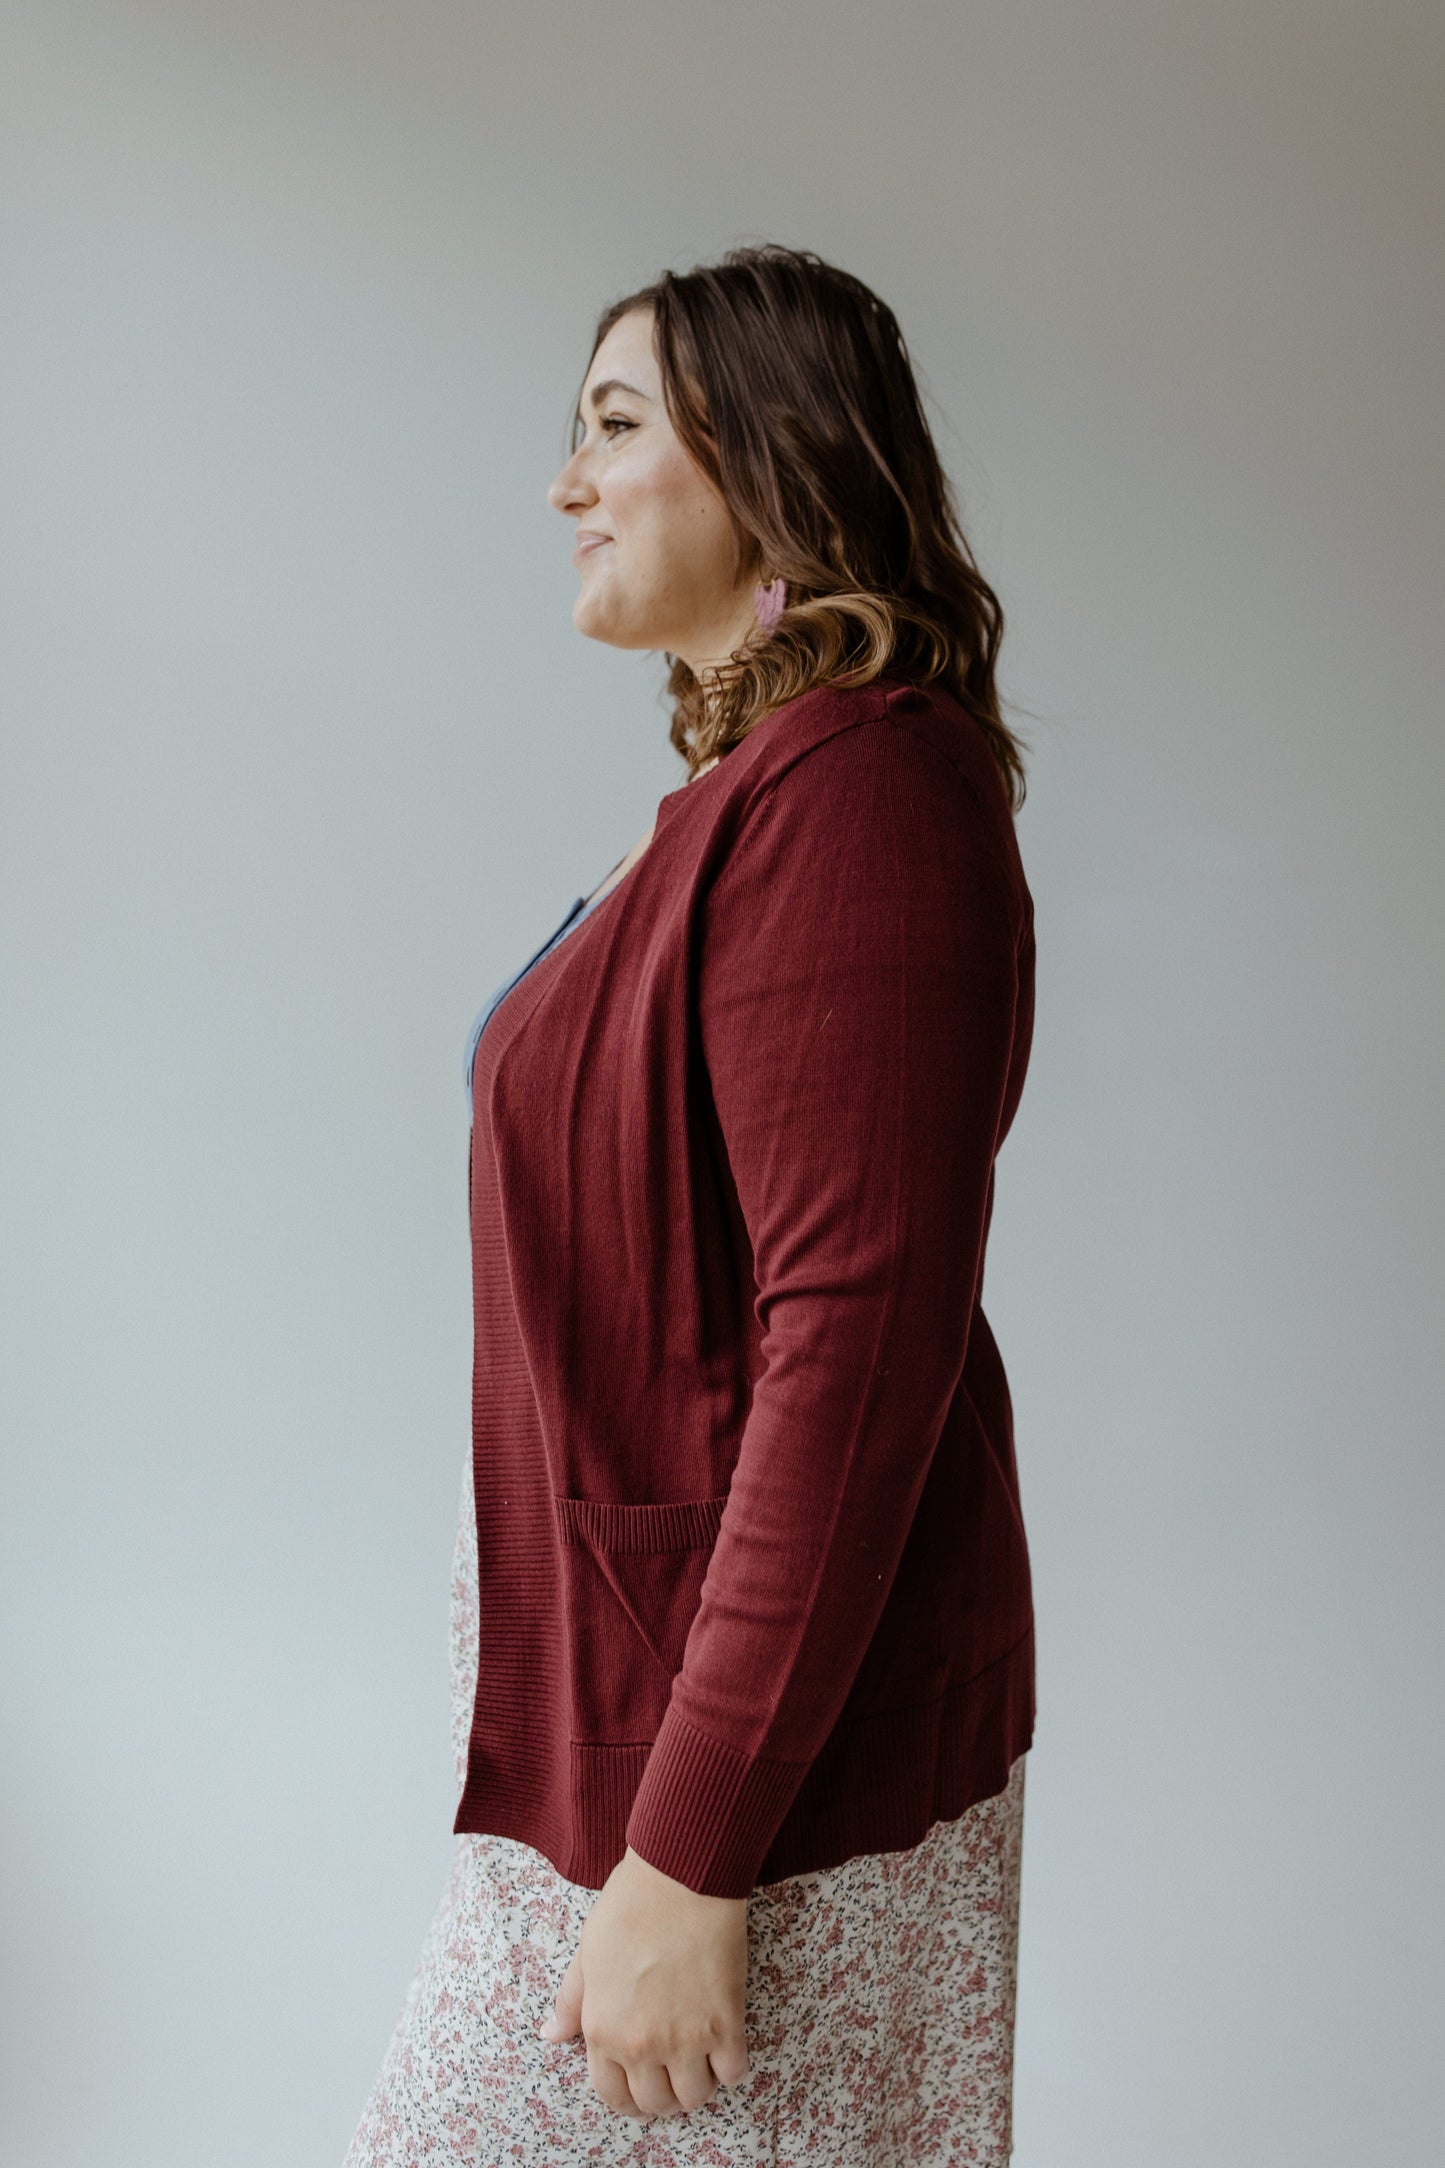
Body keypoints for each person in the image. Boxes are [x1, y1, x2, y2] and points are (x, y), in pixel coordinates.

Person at [344, 242, 1037, 2166]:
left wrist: (688, 1846)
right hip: (653, 1753)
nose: (567, 485)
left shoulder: (865, 796)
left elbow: (857, 1349)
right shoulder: (765, 795)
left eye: (618, 426)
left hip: (750, 1798)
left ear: (777, 460)